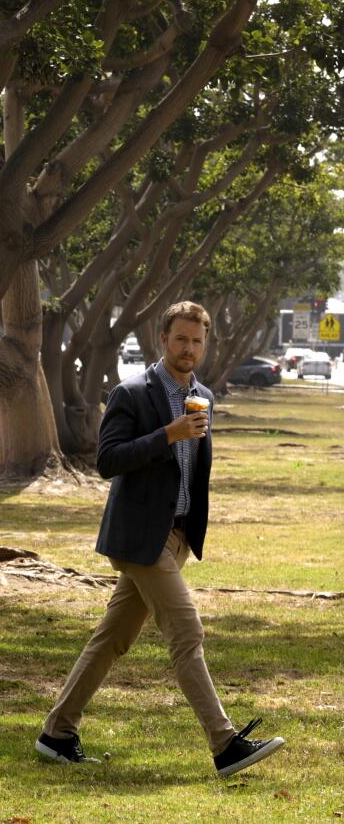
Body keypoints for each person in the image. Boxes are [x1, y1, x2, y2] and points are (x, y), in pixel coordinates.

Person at [35, 301, 285, 778]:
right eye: (181, 339)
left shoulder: (204, 396)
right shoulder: (132, 393)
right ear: (162, 340)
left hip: (177, 538)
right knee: (187, 633)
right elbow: (107, 460)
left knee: (113, 638)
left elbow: (193, 471)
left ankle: (57, 734)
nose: (189, 348)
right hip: (139, 537)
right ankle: (225, 743)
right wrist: (166, 435)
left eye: (196, 340)